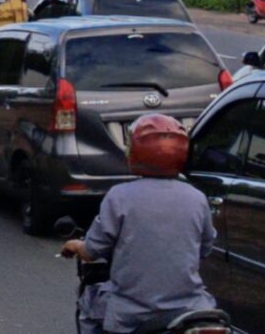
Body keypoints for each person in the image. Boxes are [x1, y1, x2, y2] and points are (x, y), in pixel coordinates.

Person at [61, 114, 216, 334]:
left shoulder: (120, 197)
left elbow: (93, 251)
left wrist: (75, 245)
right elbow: (206, 247)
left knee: (88, 305)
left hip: (132, 311)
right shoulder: (197, 198)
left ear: (135, 151)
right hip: (191, 307)